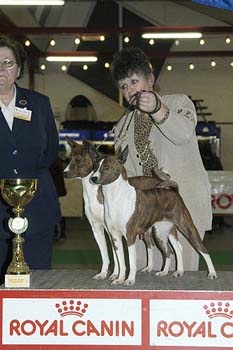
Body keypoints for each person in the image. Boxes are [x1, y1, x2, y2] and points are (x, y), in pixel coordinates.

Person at [110, 47, 212, 271]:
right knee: (142, 283)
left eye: (134, 81)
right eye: (124, 86)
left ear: (151, 79)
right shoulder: (122, 124)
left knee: (181, 284)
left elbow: (183, 133)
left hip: (181, 210)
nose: (129, 91)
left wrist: (158, 109)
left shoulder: (179, 103)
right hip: (142, 215)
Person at [0, 36, 61, 283]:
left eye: (8, 63)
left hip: (38, 209)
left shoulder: (39, 103)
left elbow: (51, 149)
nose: (1, 70)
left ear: (19, 69)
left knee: (39, 281)